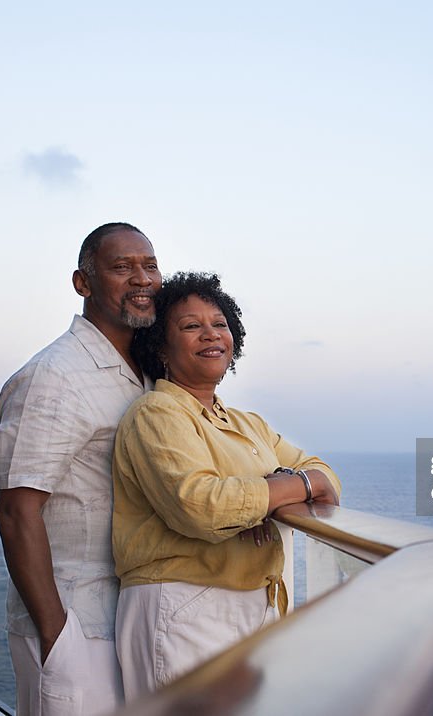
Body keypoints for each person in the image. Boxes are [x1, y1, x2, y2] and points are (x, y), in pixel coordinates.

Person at [111, 271, 341, 701]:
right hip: (183, 604)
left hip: (255, 602)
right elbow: (203, 507)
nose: (211, 335)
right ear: (161, 345)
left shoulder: (245, 424)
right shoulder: (156, 414)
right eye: (191, 326)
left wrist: (281, 487)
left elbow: (324, 477)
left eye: (219, 324)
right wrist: (285, 488)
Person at [0, 222, 160, 715]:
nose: (141, 278)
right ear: (82, 283)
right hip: (72, 623)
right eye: (121, 267)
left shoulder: (148, 375)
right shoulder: (54, 375)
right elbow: (16, 511)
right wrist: (54, 633)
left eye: (150, 265)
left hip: (127, 616)